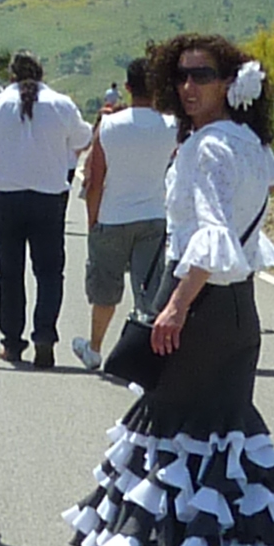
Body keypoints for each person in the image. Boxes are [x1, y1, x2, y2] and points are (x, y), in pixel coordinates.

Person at [65, 32, 274, 546]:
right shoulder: (247, 142)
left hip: (199, 303)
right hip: (239, 312)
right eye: (180, 76)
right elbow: (271, 183)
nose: (188, 85)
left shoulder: (205, 148)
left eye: (202, 75)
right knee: (223, 428)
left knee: (170, 422)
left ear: (230, 83)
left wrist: (174, 305)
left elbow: (210, 233)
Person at [0, 51, 91, 368]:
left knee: (10, 273)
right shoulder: (61, 104)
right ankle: (44, 335)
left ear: (11, 77)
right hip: (49, 197)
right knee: (49, 272)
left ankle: (12, 342)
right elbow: (83, 139)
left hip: (7, 197)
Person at [72, 56, 179, 370]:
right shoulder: (172, 126)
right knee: (149, 289)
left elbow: (95, 179)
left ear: (128, 88)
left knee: (105, 290)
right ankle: (150, 356)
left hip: (113, 216)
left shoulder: (109, 126)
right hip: (155, 216)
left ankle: (94, 348)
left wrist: (93, 220)